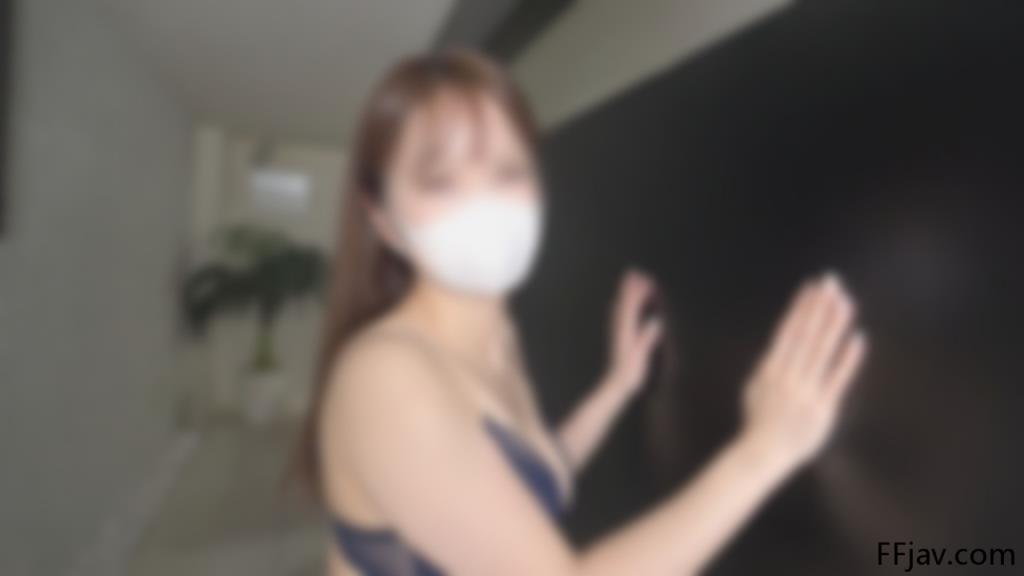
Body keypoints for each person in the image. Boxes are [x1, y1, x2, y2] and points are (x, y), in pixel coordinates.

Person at [294, 47, 869, 576]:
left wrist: (617, 387)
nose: (483, 205)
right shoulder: (387, 378)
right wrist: (764, 451)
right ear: (384, 220)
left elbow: (529, 486)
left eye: (507, 172)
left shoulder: (497, 334)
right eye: (442, 183)